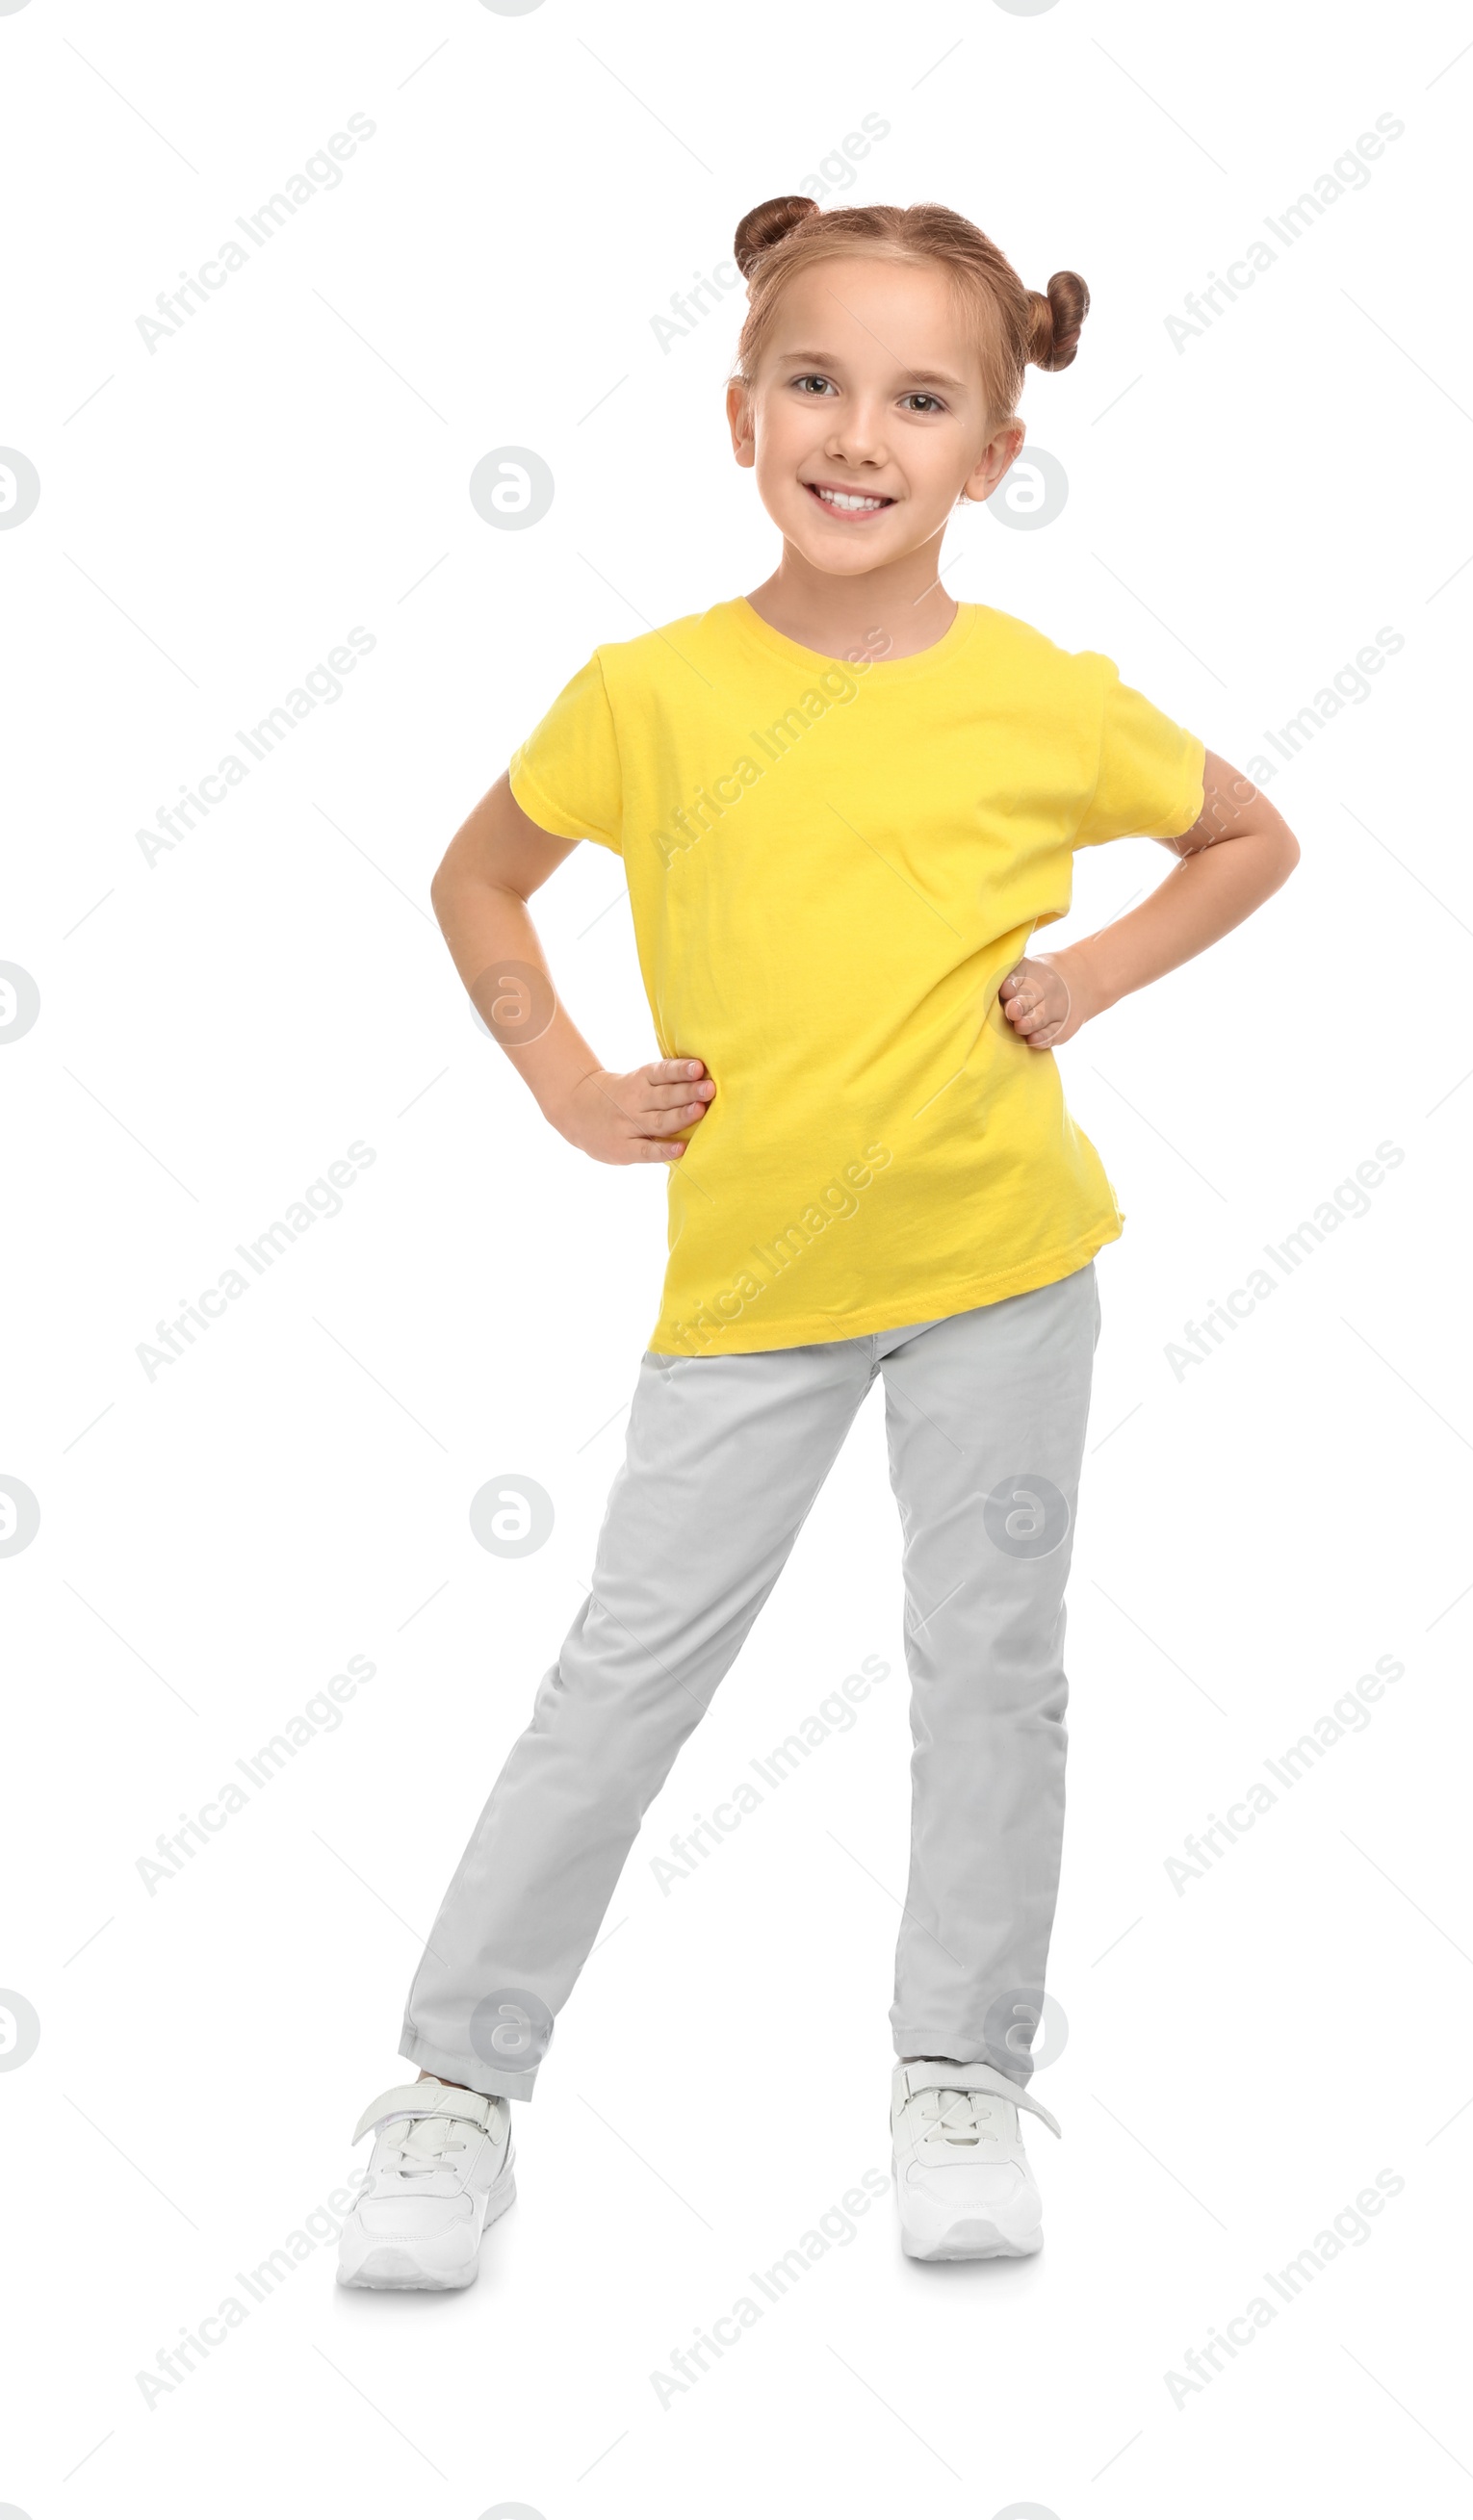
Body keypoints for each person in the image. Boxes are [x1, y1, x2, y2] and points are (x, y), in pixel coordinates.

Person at [336, 194, 1300, 2289]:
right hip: (750, 1300)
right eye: (816, 383)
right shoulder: (651, 692)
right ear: (741, 412)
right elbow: (478, 886)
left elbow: (1245, 834)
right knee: (618, 1684)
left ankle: (955, 2068)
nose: (858, 434)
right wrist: (565, 1083)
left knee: (992, 1676)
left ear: (987, 456)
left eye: (918, 399)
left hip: (1002, 1273)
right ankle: (452, 2090)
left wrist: (1097, 977)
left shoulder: (1044, 700)